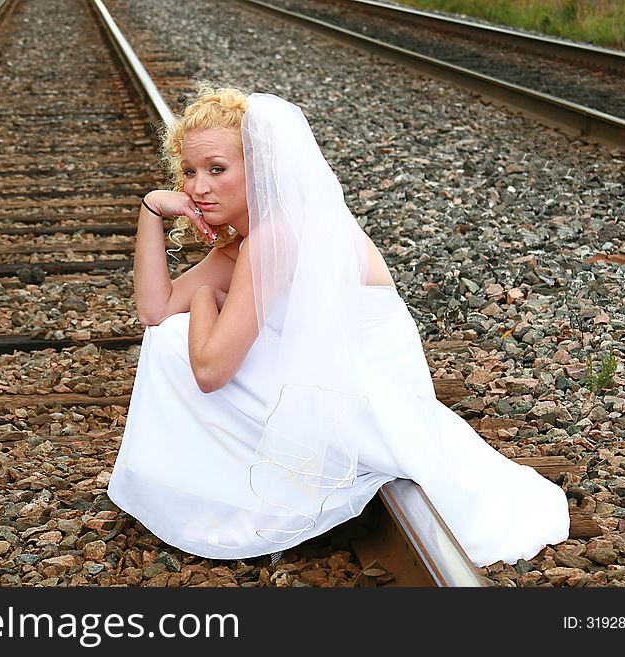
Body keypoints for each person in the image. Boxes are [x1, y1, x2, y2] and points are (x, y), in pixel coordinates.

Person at [107, 83, 570, 569]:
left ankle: (217, 494)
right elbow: (155, 309)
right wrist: (151, 210)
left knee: (175, 344)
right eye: (189, 172)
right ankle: (224, 485)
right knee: (168, 334)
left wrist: (204, 299)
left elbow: (209, 371)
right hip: (355, 392)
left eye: (217, 169)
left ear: (261, 168)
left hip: (369, 402)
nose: (198, 188)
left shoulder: (272, 239)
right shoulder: (257, 237)